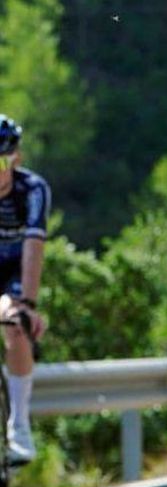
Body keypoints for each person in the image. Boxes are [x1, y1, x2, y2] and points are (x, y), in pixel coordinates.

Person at [0, 115, 49, 464]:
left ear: (15, 158)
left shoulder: (32, 190)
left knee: (15, 325)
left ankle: (19, 427)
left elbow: (34, 246)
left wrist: (28, 304)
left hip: (14, 273)